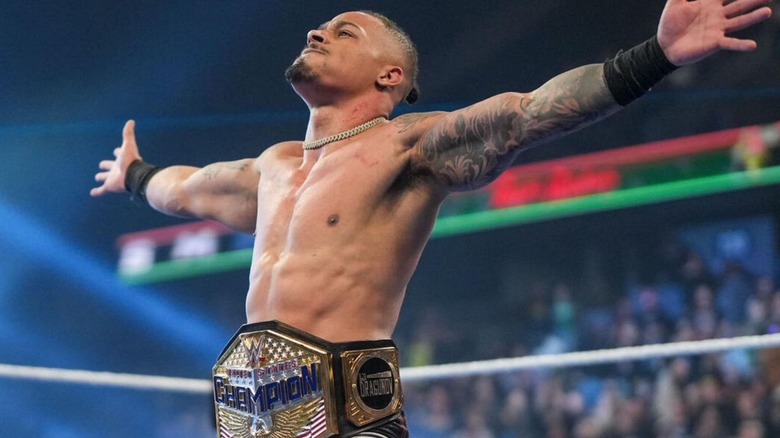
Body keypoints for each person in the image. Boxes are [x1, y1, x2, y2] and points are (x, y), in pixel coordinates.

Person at [91, 2, 772, 436]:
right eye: (322, 25)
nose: (317, 30)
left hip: (340, 396)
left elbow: (529, 114)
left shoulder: (407, 147)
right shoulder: (271, 169)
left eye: (343, 31)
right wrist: (137, 177)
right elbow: (187, 191)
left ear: (389, 77)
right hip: (249, 404)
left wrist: (652, 58)